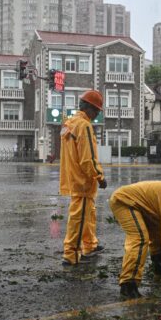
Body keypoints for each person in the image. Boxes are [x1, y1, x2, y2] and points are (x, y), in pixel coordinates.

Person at [60, 89, 107, 266]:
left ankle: (90, 246)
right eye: (96, 111)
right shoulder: (84, 126)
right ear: (89, 108)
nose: (96, 115)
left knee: (88, 215)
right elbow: (88, 158)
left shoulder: (69, 123)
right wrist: (99, 176)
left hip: (73, 177)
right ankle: (71, 254)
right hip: (83, 181)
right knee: (79, 219)